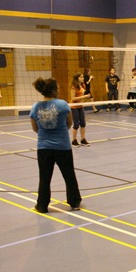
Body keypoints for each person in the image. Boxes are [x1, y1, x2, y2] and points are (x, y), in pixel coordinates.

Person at [29, 77, 82, 213]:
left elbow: (35, 128)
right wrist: (59, 132)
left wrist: (46, 133)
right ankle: (75, 202)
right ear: (53, 90)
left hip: (44, 147)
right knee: (69, 175)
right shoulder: (62, 104)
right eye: (57, 88)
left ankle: (42, 205)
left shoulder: (35, 107)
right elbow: (69, 123)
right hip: (62, 146)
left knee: (44, 177)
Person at [69, 72, 91, 147]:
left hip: (80, 106)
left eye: (83, 77)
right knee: (76, 124)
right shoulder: (73, 87)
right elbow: (73, 98)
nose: (83, 78)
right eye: (81, 77)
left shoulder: (82, 85)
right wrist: (84, 97)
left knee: (83, 123)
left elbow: (83, 93)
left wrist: (87, 95)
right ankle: (74, 140)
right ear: (77, 78)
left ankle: (83, 139)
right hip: (74, 106)